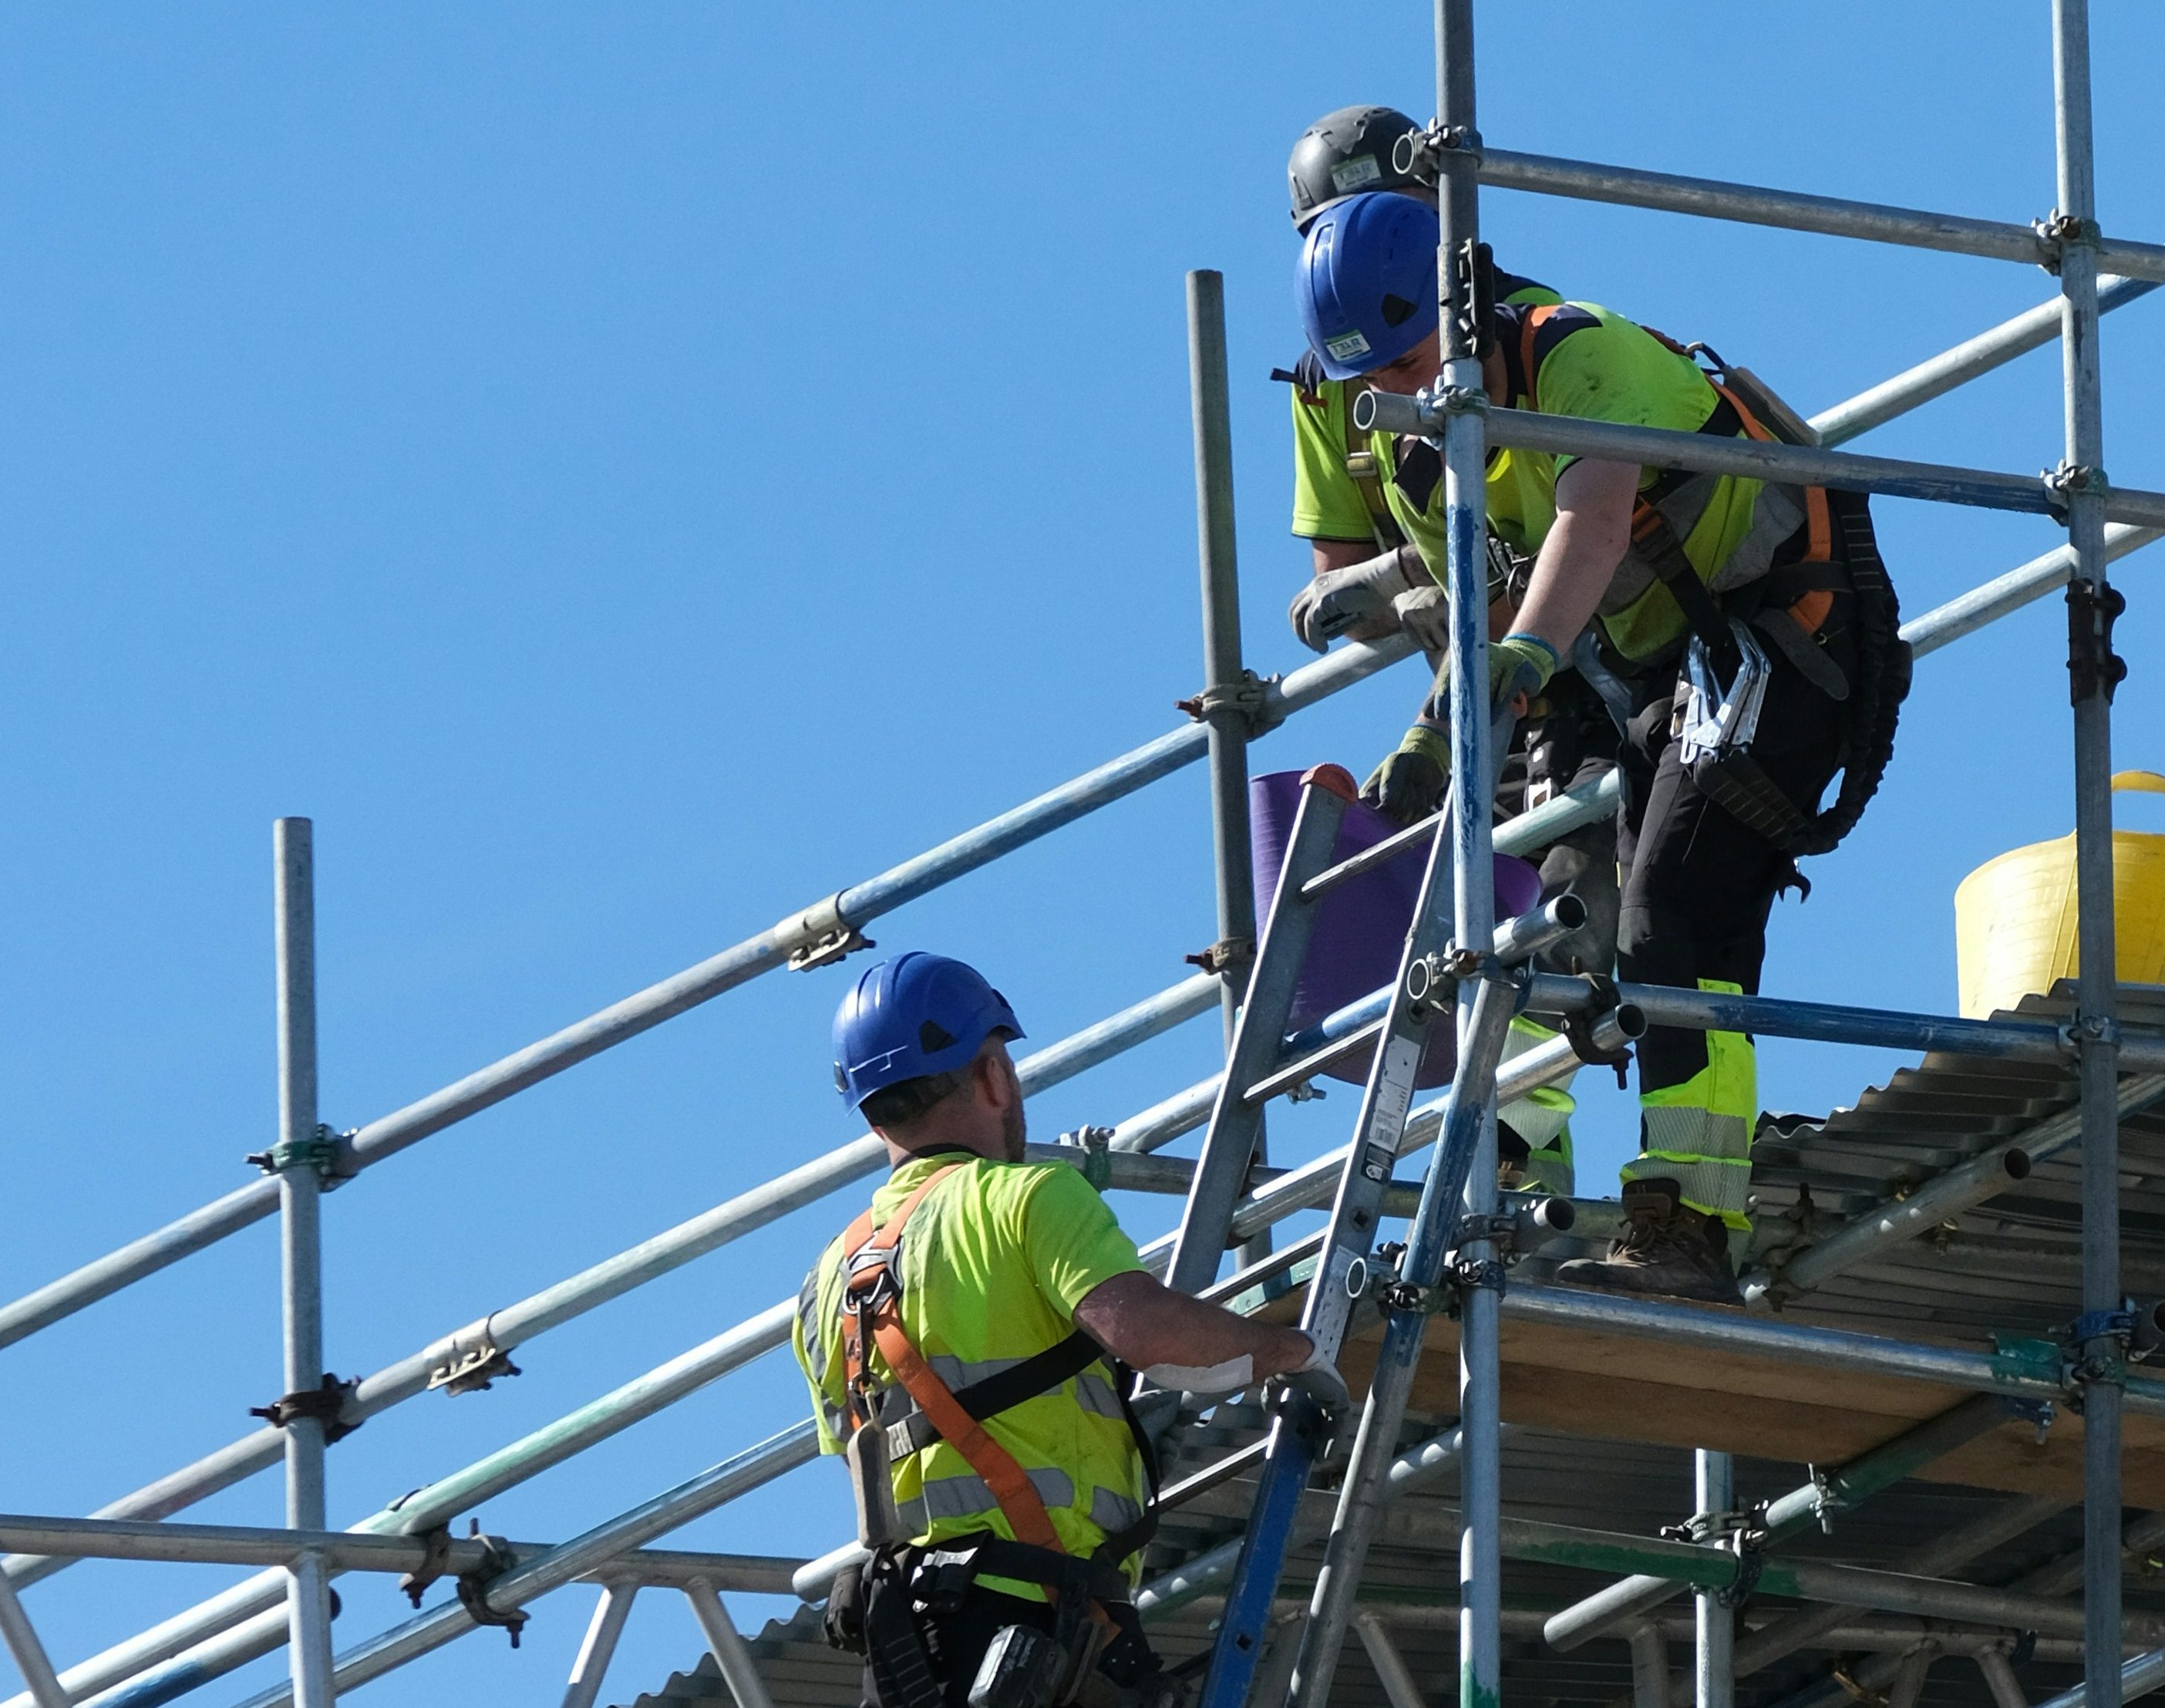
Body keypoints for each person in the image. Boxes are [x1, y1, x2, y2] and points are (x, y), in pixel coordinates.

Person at [1295, 190, 1911, 1304]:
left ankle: (1684, 1221)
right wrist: (1434, 729)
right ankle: (1662, 1205)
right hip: (1680, 667)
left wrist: (1527, 657)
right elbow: (1487, 593)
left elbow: (1590, 521)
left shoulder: (1574, 356)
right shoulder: (1448, 436)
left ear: (1458, 303)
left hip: (1788, 628)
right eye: (1367, 375)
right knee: (1627, 917)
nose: (1387, 389)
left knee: (1670, 903)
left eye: (1401, 358)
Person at [797, 952, 1335, 1708]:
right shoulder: (1030, 1196)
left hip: (905, 1652)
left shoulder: (827, 1280)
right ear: (990, 1075)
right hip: (1033, 1623)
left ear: (869, 1108)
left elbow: (865, 1456)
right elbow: (1146, 1333)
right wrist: (1294, 1349)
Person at [1277, 106, 1592, 1201]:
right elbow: (1344, 570)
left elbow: (1547, 546)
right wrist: (1364, 595)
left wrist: (1414, 623)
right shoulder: (1329, 380)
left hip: (1588, 656)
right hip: (1479, 690)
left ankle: (1666, 1183)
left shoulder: (1527, 336)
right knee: (1483, 926)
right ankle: (1520, 1173)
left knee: (1591, 910)